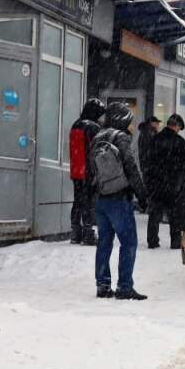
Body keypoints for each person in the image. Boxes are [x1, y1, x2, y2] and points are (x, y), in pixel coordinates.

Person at [89, 102, 148, 300]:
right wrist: (142, 195)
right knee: (129, 242)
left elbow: (91, 171)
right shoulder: (120, 137)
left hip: (101, 197)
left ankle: (103, 285)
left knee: (104, 242)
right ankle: (124, 286)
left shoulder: (97, 137)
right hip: (119, 198)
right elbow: (131, 167)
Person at [145, 113, 185, 249]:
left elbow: (148, 162)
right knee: (175, 215)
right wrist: (180, 182)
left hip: (156, 183)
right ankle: (175, 241)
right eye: (179, 128)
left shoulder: (155, 139)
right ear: (177, 126)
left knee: (155, 213)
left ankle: (152, 240)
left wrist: (150, 181)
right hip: (173, 185)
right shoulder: (181, 143)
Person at [68, 97, 105, 245]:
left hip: (77, 170)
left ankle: (75, 232)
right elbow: (96, 151)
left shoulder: (76, 124)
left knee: (78, 200)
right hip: (89, 170)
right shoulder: (93, 127)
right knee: (89, 201)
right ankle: (88, 233)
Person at [136, 115, 161, 186]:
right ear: (151, 123)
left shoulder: (147, 132)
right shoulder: (148, 133)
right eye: (156, 123)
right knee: (150, 186)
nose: (158, 125)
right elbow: (149, 151)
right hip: (149, 167)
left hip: (147, 166)